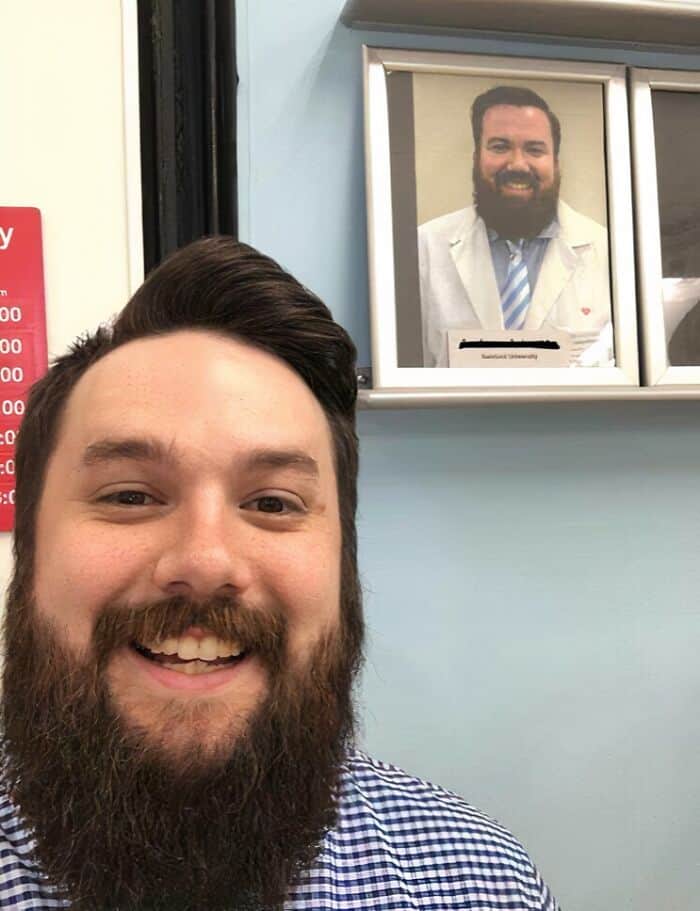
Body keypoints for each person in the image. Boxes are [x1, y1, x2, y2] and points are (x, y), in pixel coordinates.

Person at [0, 237, 559, 910]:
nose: (205, 562)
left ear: (344, 563)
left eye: (272, 503)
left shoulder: (486, 885)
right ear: (28, 553)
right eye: (129, 495)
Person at [418, 85, 611, 367]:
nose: (518, 164)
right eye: (500, 146)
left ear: (556, 163)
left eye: (535, 149)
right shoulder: (423, 248)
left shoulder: (610, 252)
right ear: (476, 157)